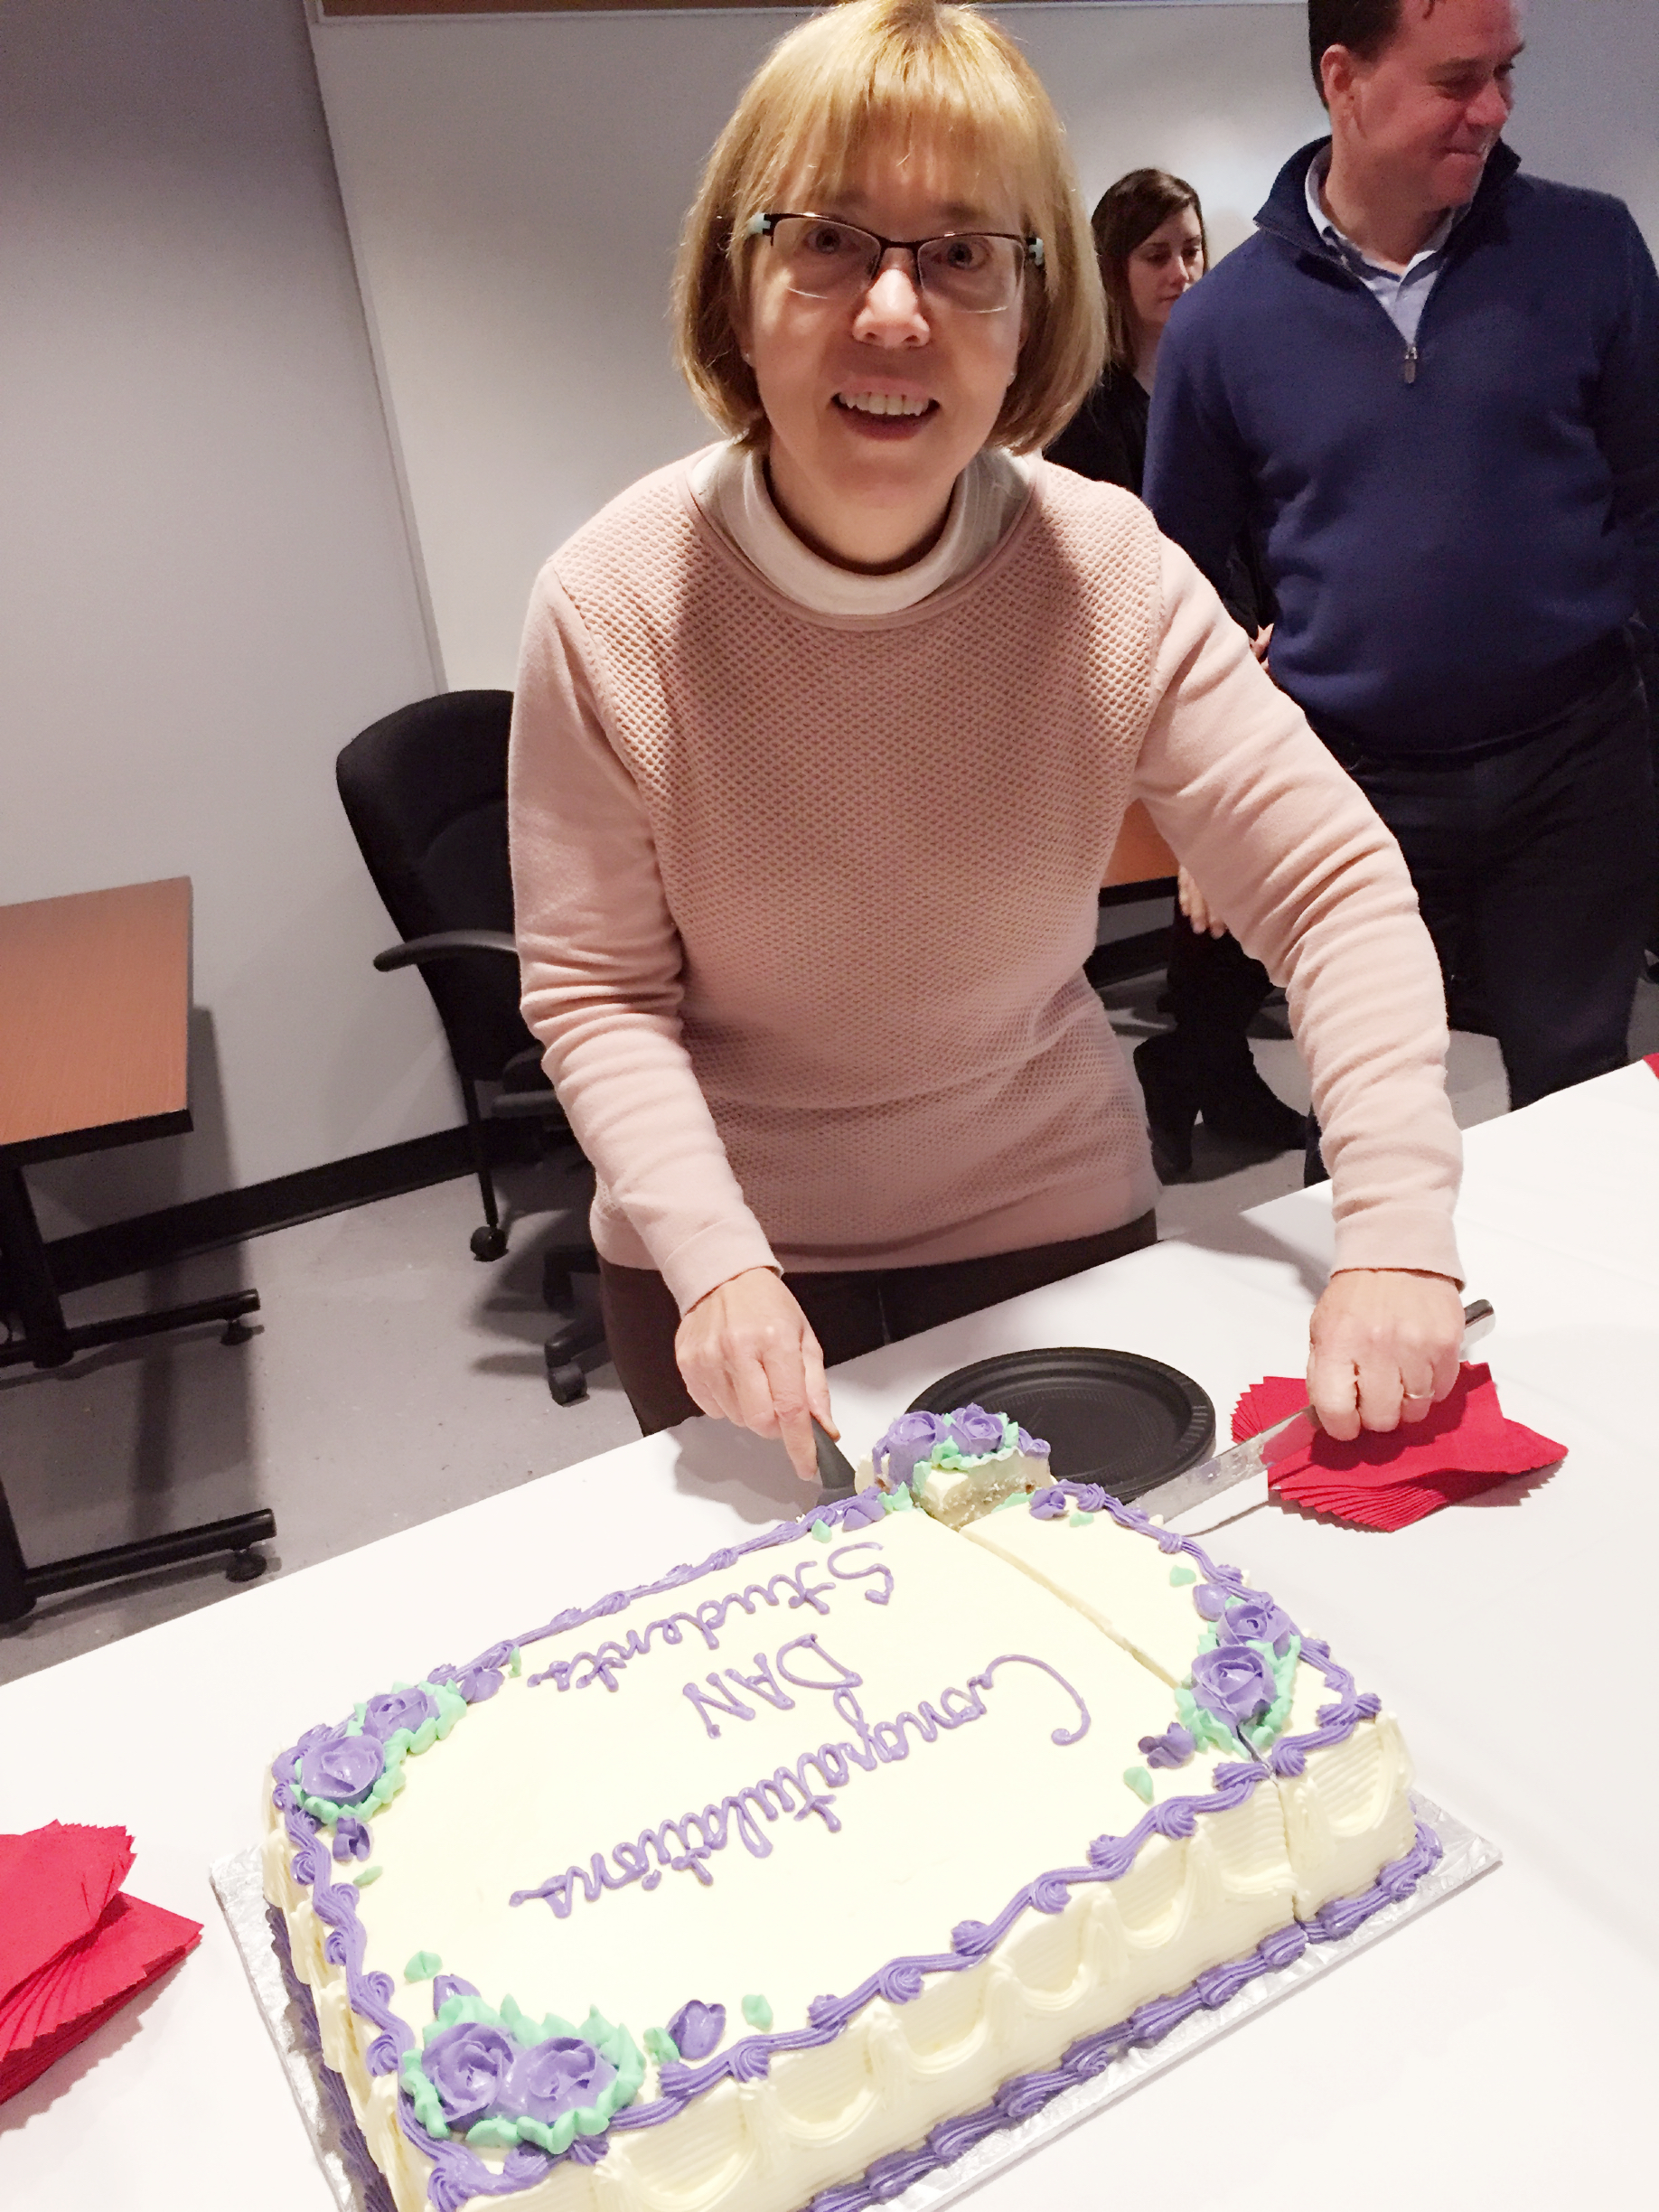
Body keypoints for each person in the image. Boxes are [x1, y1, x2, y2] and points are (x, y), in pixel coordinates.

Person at [509, 0, 1467, 1487]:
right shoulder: (609, 603)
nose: (895, 312)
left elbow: (1331, 888)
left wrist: (1397, 1232)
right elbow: (599, 992)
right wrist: (716, 1262)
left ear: (1028, 309)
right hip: (734, 1271)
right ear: (735, 288)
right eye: (829, 241)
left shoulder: (1109, 569)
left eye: (963, 253)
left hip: (1048, 1227)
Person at [1146, 0, 1659, 1155]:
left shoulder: (1591, 249)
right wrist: (1205, 813)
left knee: (1577, 1107)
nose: (1495, 110)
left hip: (1575, 765)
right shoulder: (1222, 323)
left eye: (1506, 74)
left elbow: (1649, 500)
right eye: (1457, 80)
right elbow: (1176, 583)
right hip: (1352, 782)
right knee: (1370, 1108)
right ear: (1345, 80)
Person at [1048, 168, 1305, 1180]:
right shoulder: (1083, 410)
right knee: (1236, 853)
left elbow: (1262, 524)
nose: (1182, 272)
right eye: (1157, 254)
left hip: (1247, 656)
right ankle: (1200, 1060)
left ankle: (1198, 1060)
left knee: (1267, 860)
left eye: (1192, 249)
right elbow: (1100, 565)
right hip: (1138, 677)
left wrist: (1275, 625)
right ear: (1114, 271)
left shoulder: (1219, 380)